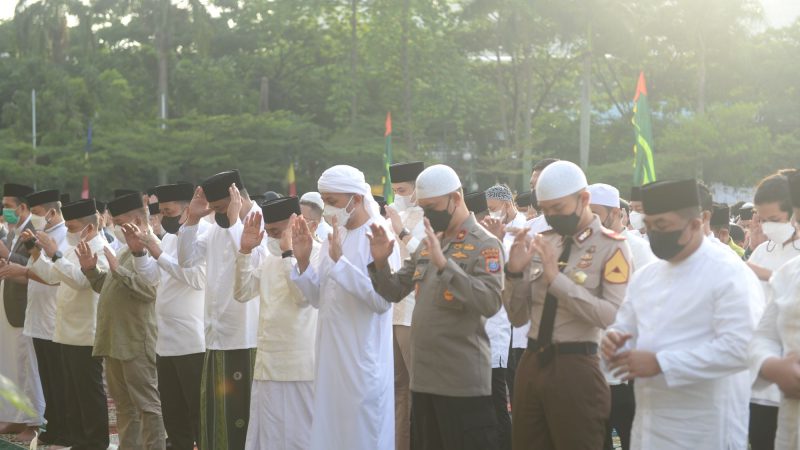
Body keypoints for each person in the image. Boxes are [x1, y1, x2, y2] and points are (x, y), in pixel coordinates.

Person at [602, 179, 758, 450]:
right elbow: (624, 327)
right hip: (650, 426)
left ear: (696, 224)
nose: (653, 233)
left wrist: (663, 363)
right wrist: (613, 341)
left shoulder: (728, 273)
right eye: (649, 225)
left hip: (706, 429)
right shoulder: (646, 277)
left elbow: (742, 348)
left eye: (662, 225)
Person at [368, 164, 503, 450]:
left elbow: (490, 302)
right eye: (423, 208)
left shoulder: (484, 243)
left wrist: (445, 266)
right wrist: (379, 263)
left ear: (456, 198)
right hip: (424, 380)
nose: (427, 214)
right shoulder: (430, 243)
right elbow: (394, 290)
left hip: (461, 380)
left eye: (432, 207)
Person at [504, 160, 631, 449]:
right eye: (545, 209)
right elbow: (518, 317)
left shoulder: (612, 246)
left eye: (558, 208)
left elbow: (608, 315)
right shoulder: (543, 241)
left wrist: (557, 280)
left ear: (583, 199)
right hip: (531, 361)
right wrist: (514, 274)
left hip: (575, 366)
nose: (551, 217)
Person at [291, 165, 399, 450]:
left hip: (362, 360)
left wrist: (341, 264)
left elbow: (381, 302)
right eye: (324, 201)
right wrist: (303, 261)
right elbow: (319, 299)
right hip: (330, 360)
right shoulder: (334, 236)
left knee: (363, 436)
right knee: (330, 435)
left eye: (333, 201)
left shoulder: (380, 235)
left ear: (357, 199)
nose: (327, 208)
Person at [177, 169, 262, 450]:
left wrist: (236, 221)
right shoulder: (215, 228)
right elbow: (186, 260)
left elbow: (251, 260)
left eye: (220, 207)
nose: (217, 214)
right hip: (215, 335)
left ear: (237, 198)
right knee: (217, 414)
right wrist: (193, 219)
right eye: (213, 209)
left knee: (242, 414)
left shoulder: (263, 222)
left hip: (246, 337)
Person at [77, 192, 166, 449]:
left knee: (147, 405)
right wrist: (91, 270)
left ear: (137, 220)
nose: (114, 227)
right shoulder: (127, 247)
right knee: (124, 406)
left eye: (118, 222)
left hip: (136, 339)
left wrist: (118, 269)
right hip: (115, 340)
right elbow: (111, 287)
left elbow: (148, 291)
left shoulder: (151, 247)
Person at [235, 196, 319, 450]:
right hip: (268, 365)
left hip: (300, 367)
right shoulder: (270, 258)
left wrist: (288, 255)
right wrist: (245, 251)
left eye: (277, 231)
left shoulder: (316, 253)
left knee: (302, 438)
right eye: (269, 232)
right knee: (269, 439)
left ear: (296, 224)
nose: (271, 237)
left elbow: (302, 297)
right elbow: (242, 293)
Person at [128, 182, 207, 450]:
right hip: (165, 342)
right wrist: (139, 252)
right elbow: (152, 278)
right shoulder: (172, 237)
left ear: (188, 210)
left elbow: (197, 278)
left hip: (192, 342)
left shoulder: (203, 234)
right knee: (173, 414)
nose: (163, 218)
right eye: (161, 212)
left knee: (198, 413)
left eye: (168, 211)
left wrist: (159, 253)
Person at [29, 198, 111, 449]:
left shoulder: (101, 249)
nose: (69, 232)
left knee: (88, 392)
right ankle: (77, 440)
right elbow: (52, 276)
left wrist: (55, 254)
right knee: (72, 392)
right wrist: (38, 253)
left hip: (86, 332)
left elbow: (83, 281)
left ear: (89, 227)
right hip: (66, 330)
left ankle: (95, 442)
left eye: (72, 227)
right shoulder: (75, 248)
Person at [586, 183, 651, 450]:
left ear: (616, 213)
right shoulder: (583, 246)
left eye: (596, 213)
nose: (590, 219)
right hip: (593, 364)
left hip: (626, 369)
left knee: (630, 437)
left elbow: (647, 306)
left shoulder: (638, 248)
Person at [4, 190, 69, 445]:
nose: (36, 218)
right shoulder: (42, 234)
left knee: (57, 380)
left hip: (54, 316)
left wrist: (23, 269)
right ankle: (51, 429)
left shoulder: (63, 236)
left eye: (39, 213)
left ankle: (61, 431)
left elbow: (55, 276)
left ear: (52, 212)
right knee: (47, 378)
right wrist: (21, 268)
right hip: (37, 315)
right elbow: (34, 271)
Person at [745, 172, 800, 450]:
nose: (768, 226)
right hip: (772, 391)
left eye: (774, 219)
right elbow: (763, 333)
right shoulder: (784, 267)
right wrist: (770, 364)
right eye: (763, 219)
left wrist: (766, 275)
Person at [382, 161, 426, 450]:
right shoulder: (391, 217)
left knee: (417, 386)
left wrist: (401, 231)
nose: (398, 195)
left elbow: (424, 258)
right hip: (391, 312)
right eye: (395, 190)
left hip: (413, 312)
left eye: (403, 190)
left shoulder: (428, 218)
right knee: (398, 388)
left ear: (416, 189)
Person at [0, 182, 44, 437]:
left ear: (23, 207)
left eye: (8, 206)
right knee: (12, 364)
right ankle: (15, 417)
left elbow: (34, 266)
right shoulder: (13, 231)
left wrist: (5, 253)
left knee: (26, 366)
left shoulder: (32, 231)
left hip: (24, 307)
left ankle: (32, 421)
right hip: (9, 305)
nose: (4, 210)